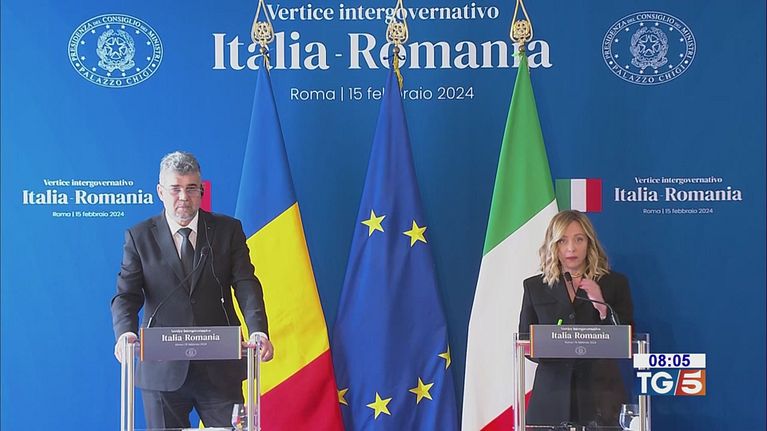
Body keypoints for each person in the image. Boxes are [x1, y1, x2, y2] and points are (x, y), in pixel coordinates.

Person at [111, 151, 274, 429]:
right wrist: (125, 334)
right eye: (175, 189)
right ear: (160, 192)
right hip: (162, 370)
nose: (183, 197)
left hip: (220, 368)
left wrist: (258, 330)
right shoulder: (139, 236)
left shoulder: (228, 230)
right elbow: (126, 295)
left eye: (191, 188)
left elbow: (246, 283)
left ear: (201, 191)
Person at [519, 210, 633, 427]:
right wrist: (557, 346)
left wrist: (601, 306)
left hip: (599, 398)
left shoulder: (614, 283)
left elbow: (626, 341)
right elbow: (526, 343)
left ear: (589, 243)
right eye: (563, 240)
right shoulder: (535, 287)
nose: (571, 248)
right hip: (552, 397)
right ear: (553, 245)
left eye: (579, 239)